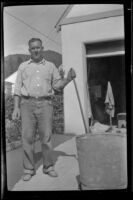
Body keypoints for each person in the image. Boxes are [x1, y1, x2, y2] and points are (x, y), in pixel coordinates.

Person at [12, 38, 76, 181]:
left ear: (42, 48)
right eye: (33, 48)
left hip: (46, 104)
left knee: (46, 138)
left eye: (38, 47)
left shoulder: (51, 66)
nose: (36, 50)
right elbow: (17, 89)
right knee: (27, 138)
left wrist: (68, 79)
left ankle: (48, 166)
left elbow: (57, 86)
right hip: (26, 105)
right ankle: (28, 169)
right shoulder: (23, 66)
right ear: (29, 50)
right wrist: (16, 107)